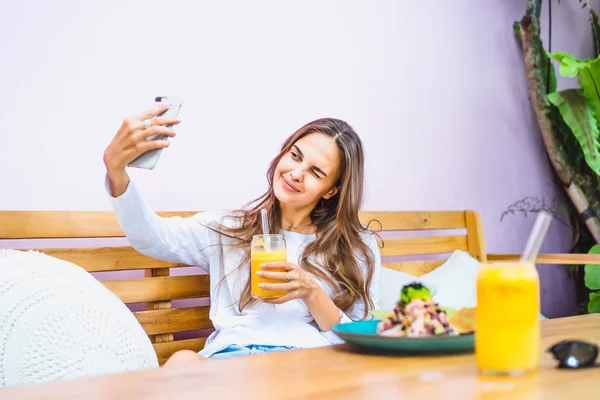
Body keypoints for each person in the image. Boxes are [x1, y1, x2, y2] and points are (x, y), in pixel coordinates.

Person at [102, 104, 381, 363]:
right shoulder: (229, 229)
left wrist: (310, 291)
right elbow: (151, 236)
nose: (296, 173)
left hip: (303, 361)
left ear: (332, 190)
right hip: (231, 357)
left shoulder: (357, 248)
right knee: (182, 360)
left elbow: (361, 337)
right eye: (295, 156)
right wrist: (116, 170)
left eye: (316, 172)